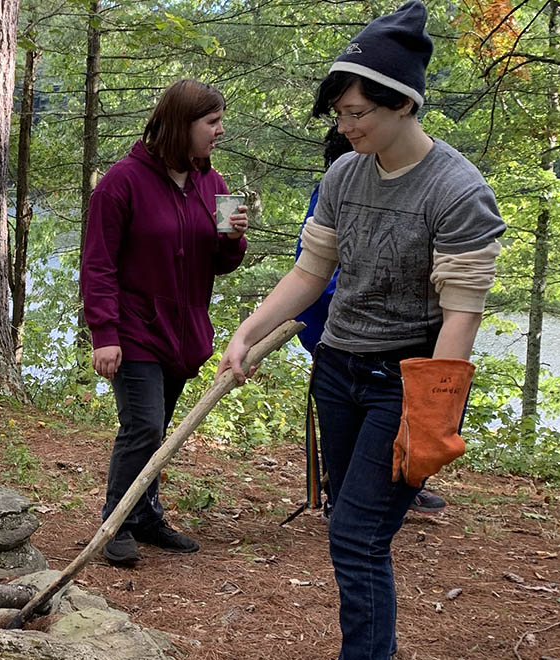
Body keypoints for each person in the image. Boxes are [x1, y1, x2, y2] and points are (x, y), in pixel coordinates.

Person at [218, 3, 505, 659]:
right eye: (339, 114)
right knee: (350, 526)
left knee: (357, 537)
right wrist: (248, 329)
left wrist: (435, 413)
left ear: (403, 103)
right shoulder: (346, 173)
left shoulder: (458, 191)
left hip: (401, 384)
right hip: (338, 373)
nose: (345, 127)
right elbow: (311, 270)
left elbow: (461, 311)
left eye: (357, 113)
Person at [81, 79, 249, 566]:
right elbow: (98, 265)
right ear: (182, 124)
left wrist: (233, 238)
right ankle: (115, 520)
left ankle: (146, 515)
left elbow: (221, 262)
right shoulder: (122, 182)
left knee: (158, 431)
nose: (219, 131)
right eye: (211, 122)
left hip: (183, 333)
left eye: (219, 121)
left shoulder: (210, 184)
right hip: (134, 330)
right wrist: (104, 335)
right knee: (143, 427)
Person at [295, 127, 448, 519]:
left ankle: (392, 491)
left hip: (400, 349)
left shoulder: (438, 187)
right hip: (338, 337)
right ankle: (339, 495)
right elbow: (314, 272)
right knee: (345, 429)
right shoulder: (337, 187)